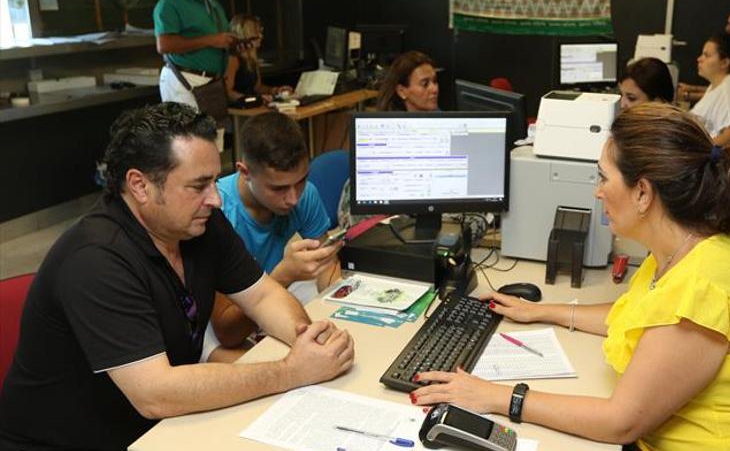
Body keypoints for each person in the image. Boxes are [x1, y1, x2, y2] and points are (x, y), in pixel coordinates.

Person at [410, 103, 730, 451]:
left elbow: (620, 421)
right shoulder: (687, 243)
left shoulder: (702, 285)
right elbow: (641, 315)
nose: (598, 192)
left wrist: (495, 396)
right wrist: (543, 311)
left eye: (604, 177)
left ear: (643, 193)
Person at [0, 103, 354, 450]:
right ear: (139, 185)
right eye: (198, 186)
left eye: (215, 182)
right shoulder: (95, 260)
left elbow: (262, 295)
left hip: (157, 427)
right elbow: (155, 393)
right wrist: (292, 372)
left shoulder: (200, 223)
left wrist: (308, 341)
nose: (215, 199)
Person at [206, 111, 341, 362]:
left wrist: (338, 311)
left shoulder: (304, 194)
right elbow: (228, 331)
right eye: (278, 188)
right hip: (219, 319)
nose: (293, 198)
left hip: (269, 296)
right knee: (257, 368)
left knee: (324, 349)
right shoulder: (216, 213)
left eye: (301, 181)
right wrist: (285, 274)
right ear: (245, 172)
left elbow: (327, 267)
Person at [339, 50, 439, 228]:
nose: (434, 89)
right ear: (402, 91)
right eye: (425, 84)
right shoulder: (384, 137)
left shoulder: (442, 126)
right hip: (380, 226)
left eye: (435, 81)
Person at [154, 0, 234, 108]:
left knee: (215, 132)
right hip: (184, 80)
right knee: (188, 132)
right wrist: (209, 40)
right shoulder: (171, 2)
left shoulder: (214, 4)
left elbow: (220, 40)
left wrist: (234, 44)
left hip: (213, 83)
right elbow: (164, 45)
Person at [225, 14, 293, 103]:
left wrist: (275, 90)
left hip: (252, 104)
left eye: (260, 32)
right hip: (240, 107)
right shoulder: (234, 58)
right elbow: (227, 92)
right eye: (256, 33)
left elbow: (258, 87)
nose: (261, 36)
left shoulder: (252, 58)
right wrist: (254, 100)